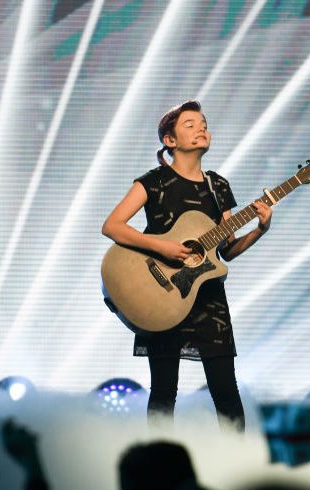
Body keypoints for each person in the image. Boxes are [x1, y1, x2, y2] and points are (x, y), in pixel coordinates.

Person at [102, 100, 272, 431]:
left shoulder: (218, 186)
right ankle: (162, 458)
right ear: (170, 140)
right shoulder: (153, 182)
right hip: (161, 295)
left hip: (209, 302)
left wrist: (260, 229)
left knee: (226, 392)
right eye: (190, 125)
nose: (201, 129)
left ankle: (236, 458)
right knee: (164, 392)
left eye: (204, 123)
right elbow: (112, 226)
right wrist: (162, 246)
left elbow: (227, 250)